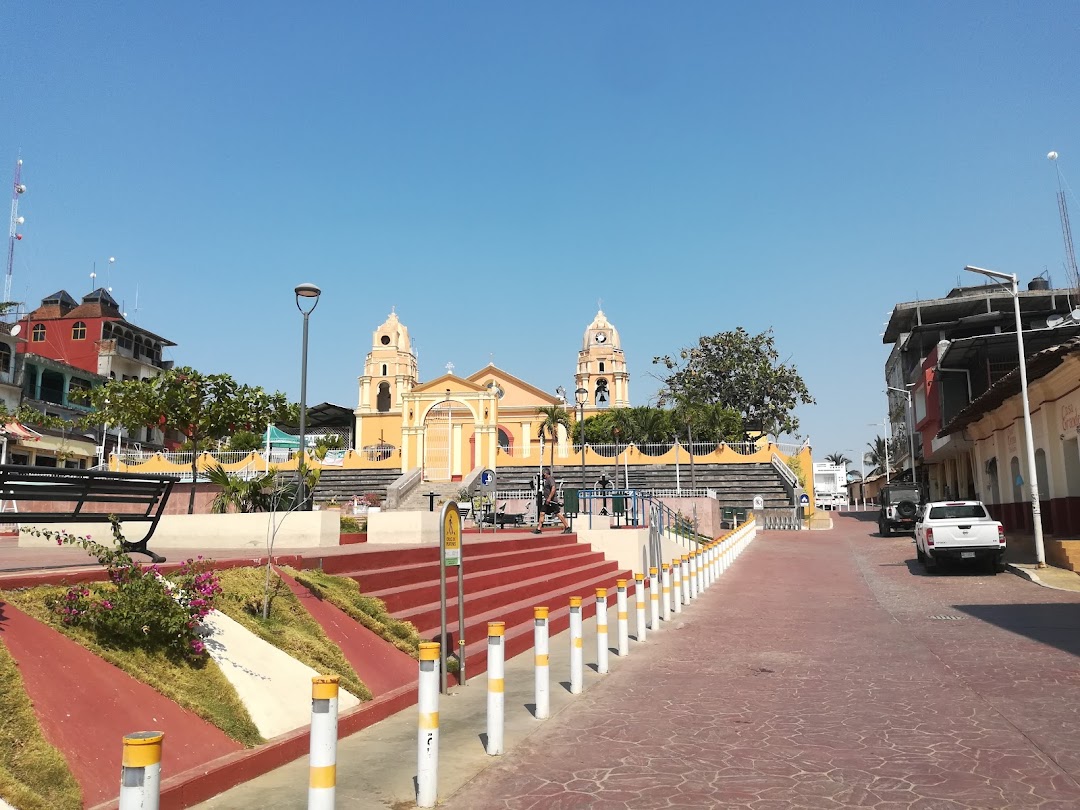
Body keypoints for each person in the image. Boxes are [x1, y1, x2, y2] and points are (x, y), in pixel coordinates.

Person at [534, 467, 571, 534]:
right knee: (542, 513)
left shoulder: (550, 479)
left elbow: (553, 489)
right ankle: (538, 529)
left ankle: (567, 527)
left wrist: (549, 498)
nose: (542, 475)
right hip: (547, 501)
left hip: (551, 501)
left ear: (545, 473)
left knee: (558, 514)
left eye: (543, 474)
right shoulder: (547, 480)